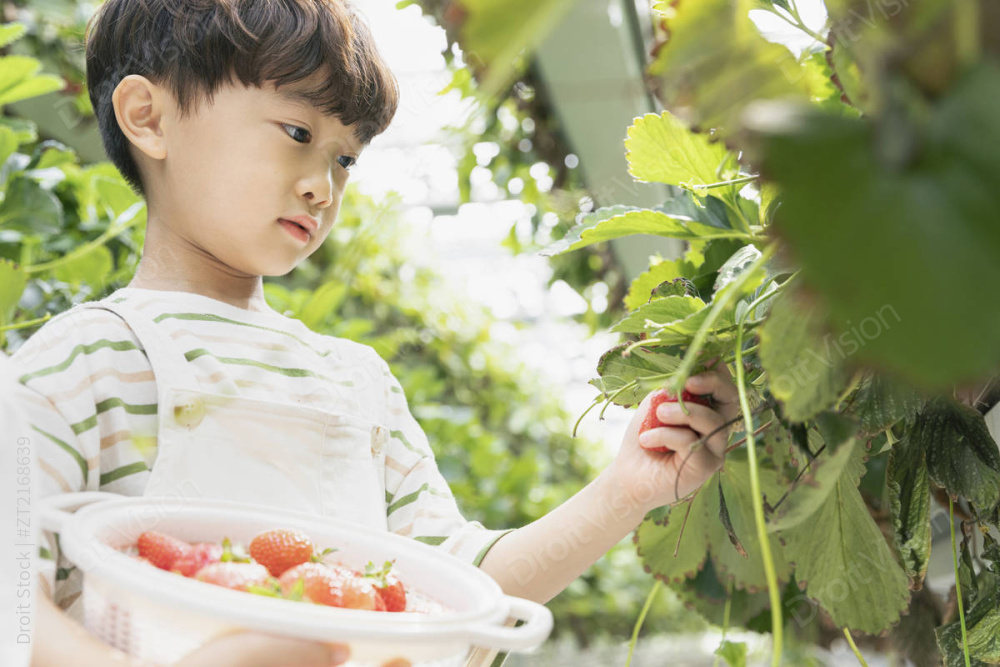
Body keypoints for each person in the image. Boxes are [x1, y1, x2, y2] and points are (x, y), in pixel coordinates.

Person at [9, 1, 740, 665]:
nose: (322, 185)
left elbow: (459, 590)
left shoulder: (357, 384)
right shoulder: (85, 360)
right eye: (297, 132)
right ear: (149, 118)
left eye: (345, 158)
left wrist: (625, 491)